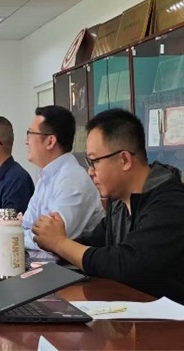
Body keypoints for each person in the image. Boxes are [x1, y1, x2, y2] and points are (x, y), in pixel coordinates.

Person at [33, 109, 184, 304]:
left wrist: (59, 243)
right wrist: (53, 242)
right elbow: (94, 244)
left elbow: (126, 264)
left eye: (94, 161)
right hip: (131, 309)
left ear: (124, 160)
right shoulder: (119, 202)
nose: (90, 171)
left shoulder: (170, 203)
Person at [22, 106, 103, 258]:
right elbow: (26, 225)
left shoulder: (72, 180)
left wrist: (15, 237)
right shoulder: (46, 177)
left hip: (69, 269)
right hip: (42, 263)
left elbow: (49, 242)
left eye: (30, 134)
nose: (26, 141)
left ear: (50, 141)